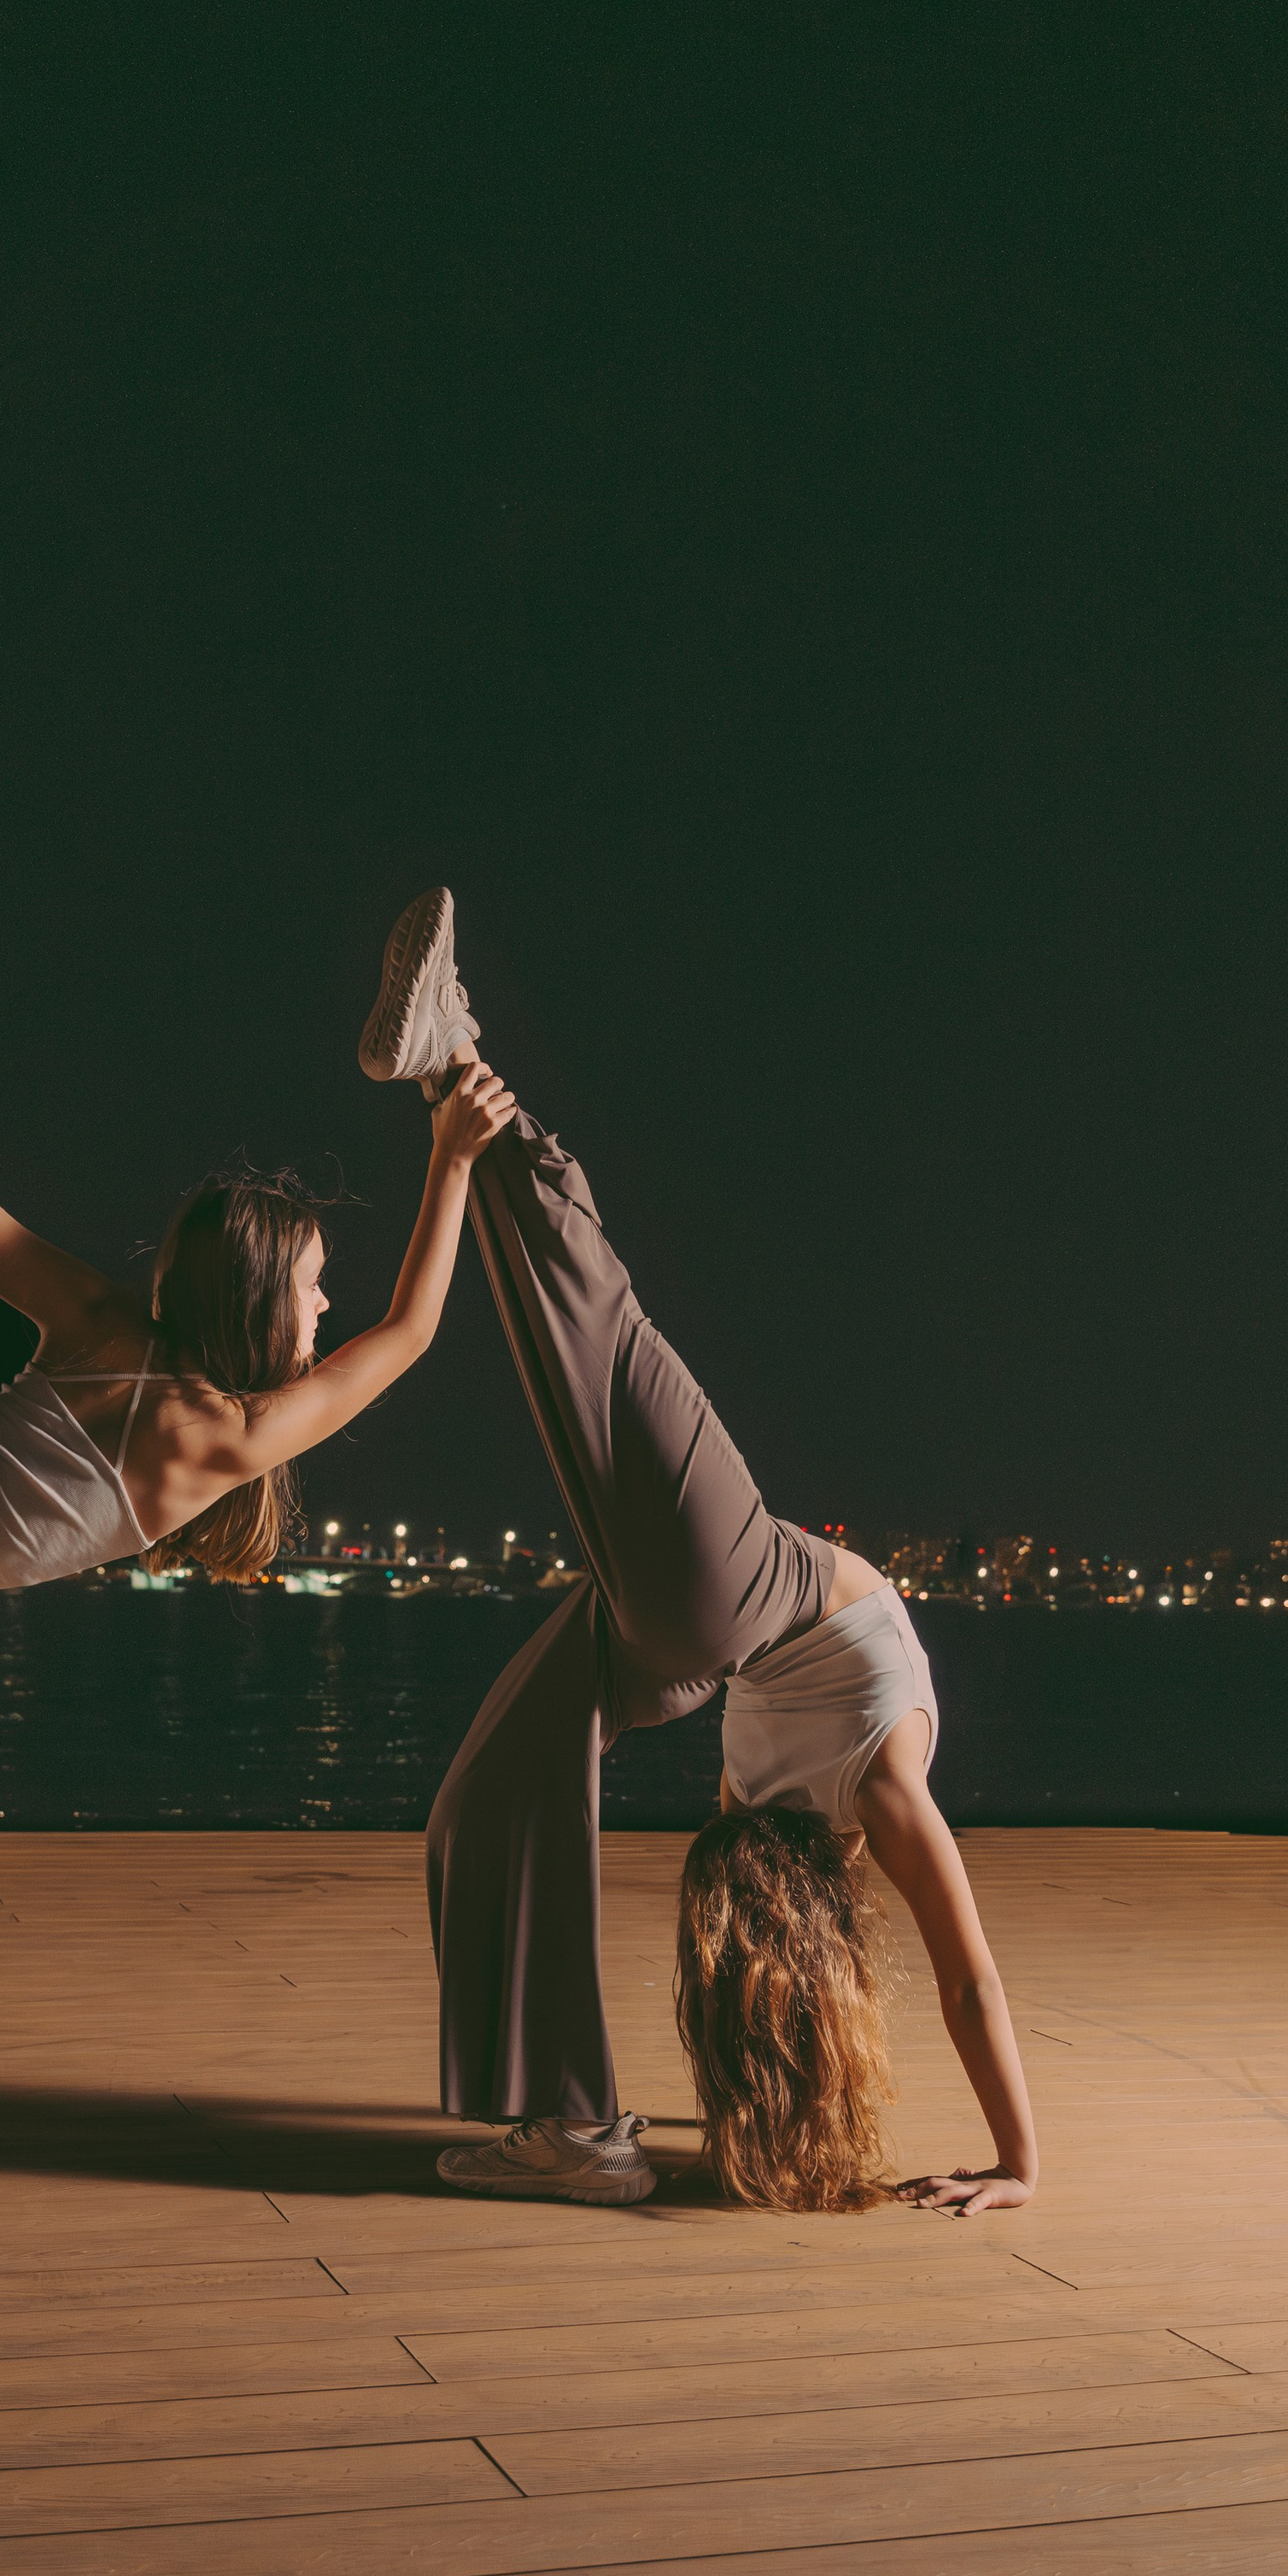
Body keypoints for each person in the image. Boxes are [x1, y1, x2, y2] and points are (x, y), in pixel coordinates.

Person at [0, 543, 516, 2271]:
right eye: (311, 1286)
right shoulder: (211, 1441)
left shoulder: (112, 1327)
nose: (327, 1305)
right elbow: (417, 1334)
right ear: (258, 1306)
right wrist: (451, 1157)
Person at [355, 889, 1037, 2221]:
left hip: (748, 1592)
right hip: (679, 1632)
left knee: (604, 1346)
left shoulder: (871, 1784)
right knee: (489, 1798)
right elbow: (964, 1975)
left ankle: (456, 1054)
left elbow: (970, 1979)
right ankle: (571, 2127)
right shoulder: (811, 1810)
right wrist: (1002, 2158)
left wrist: (1024, 2167)